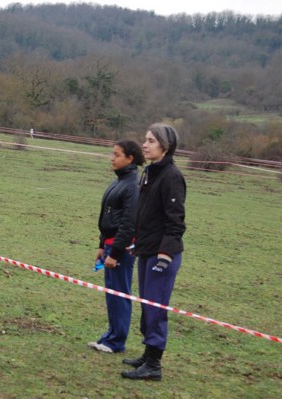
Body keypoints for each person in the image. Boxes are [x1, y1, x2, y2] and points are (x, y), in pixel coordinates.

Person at [121, 123, 186, 381]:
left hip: (162, 255)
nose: (144, 145)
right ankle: (148, 355)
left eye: (150, 141)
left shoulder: (171, 176)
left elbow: (175, 221)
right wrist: (137, 242)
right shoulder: (149, 172)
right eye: (145, 140)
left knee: (156, 308)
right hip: (146, 250)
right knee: (147, 306)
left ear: (165, 146)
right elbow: (146, 214)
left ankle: (154, 366)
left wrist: (165, 255)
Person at [88, 140, 145, 353]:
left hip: (121, 250)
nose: (112, 158)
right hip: (110, 246)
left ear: (130, 158)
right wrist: (102, 245)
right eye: (112, 154)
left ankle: (117, 341)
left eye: (117, 154)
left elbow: (129, 224)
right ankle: (110, 336)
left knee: (120, 293)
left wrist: (116, 253)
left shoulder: (133, 185)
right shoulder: (119, 180)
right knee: (112, 293)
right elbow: (109, 216)